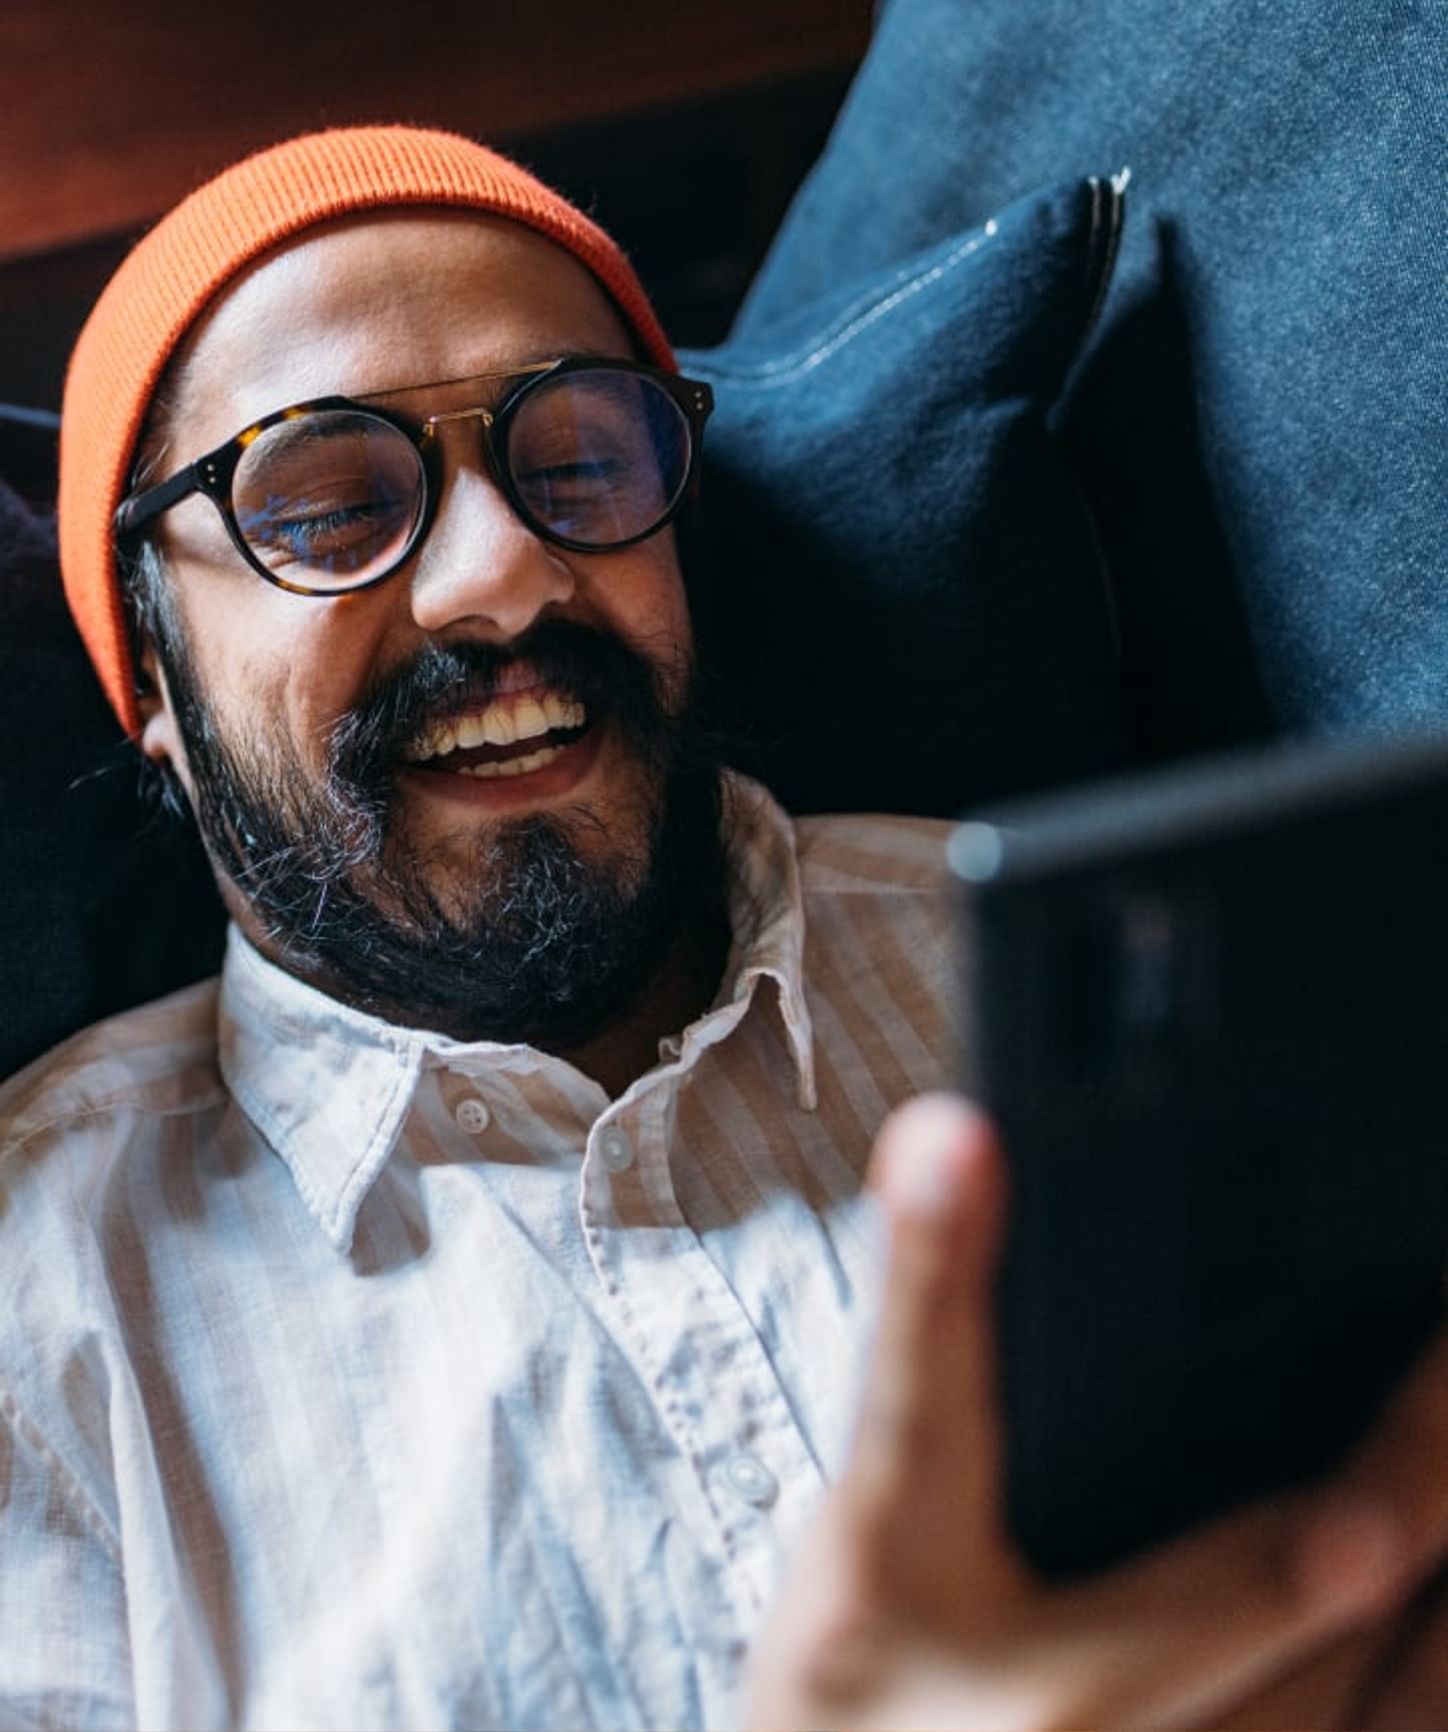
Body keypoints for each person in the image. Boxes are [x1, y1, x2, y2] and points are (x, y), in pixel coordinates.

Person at [2, 125, 1445, 1730]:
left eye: (578, 468)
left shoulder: (1133, 977)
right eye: (330, 507)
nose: (505, 577)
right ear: (161, 696)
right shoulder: (43, 1311)